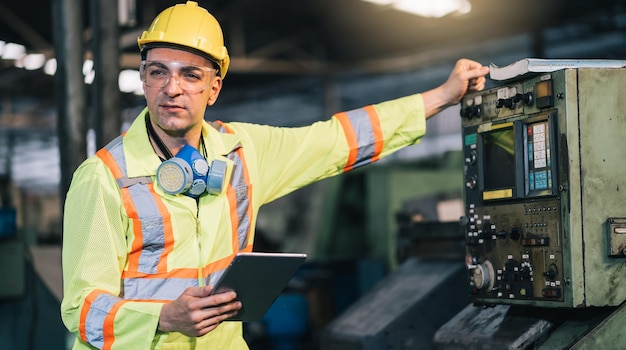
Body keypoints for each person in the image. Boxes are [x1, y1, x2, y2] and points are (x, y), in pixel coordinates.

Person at [60, 1, 489, 349]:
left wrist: (442, 96)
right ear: (143, 79)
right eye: (159, 72)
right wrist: (162, 318)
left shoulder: (244, 154)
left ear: (214, 87)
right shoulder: (104, 177)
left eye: (191, 75)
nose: (172, 88)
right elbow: (80, 310)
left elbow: (337, 139)